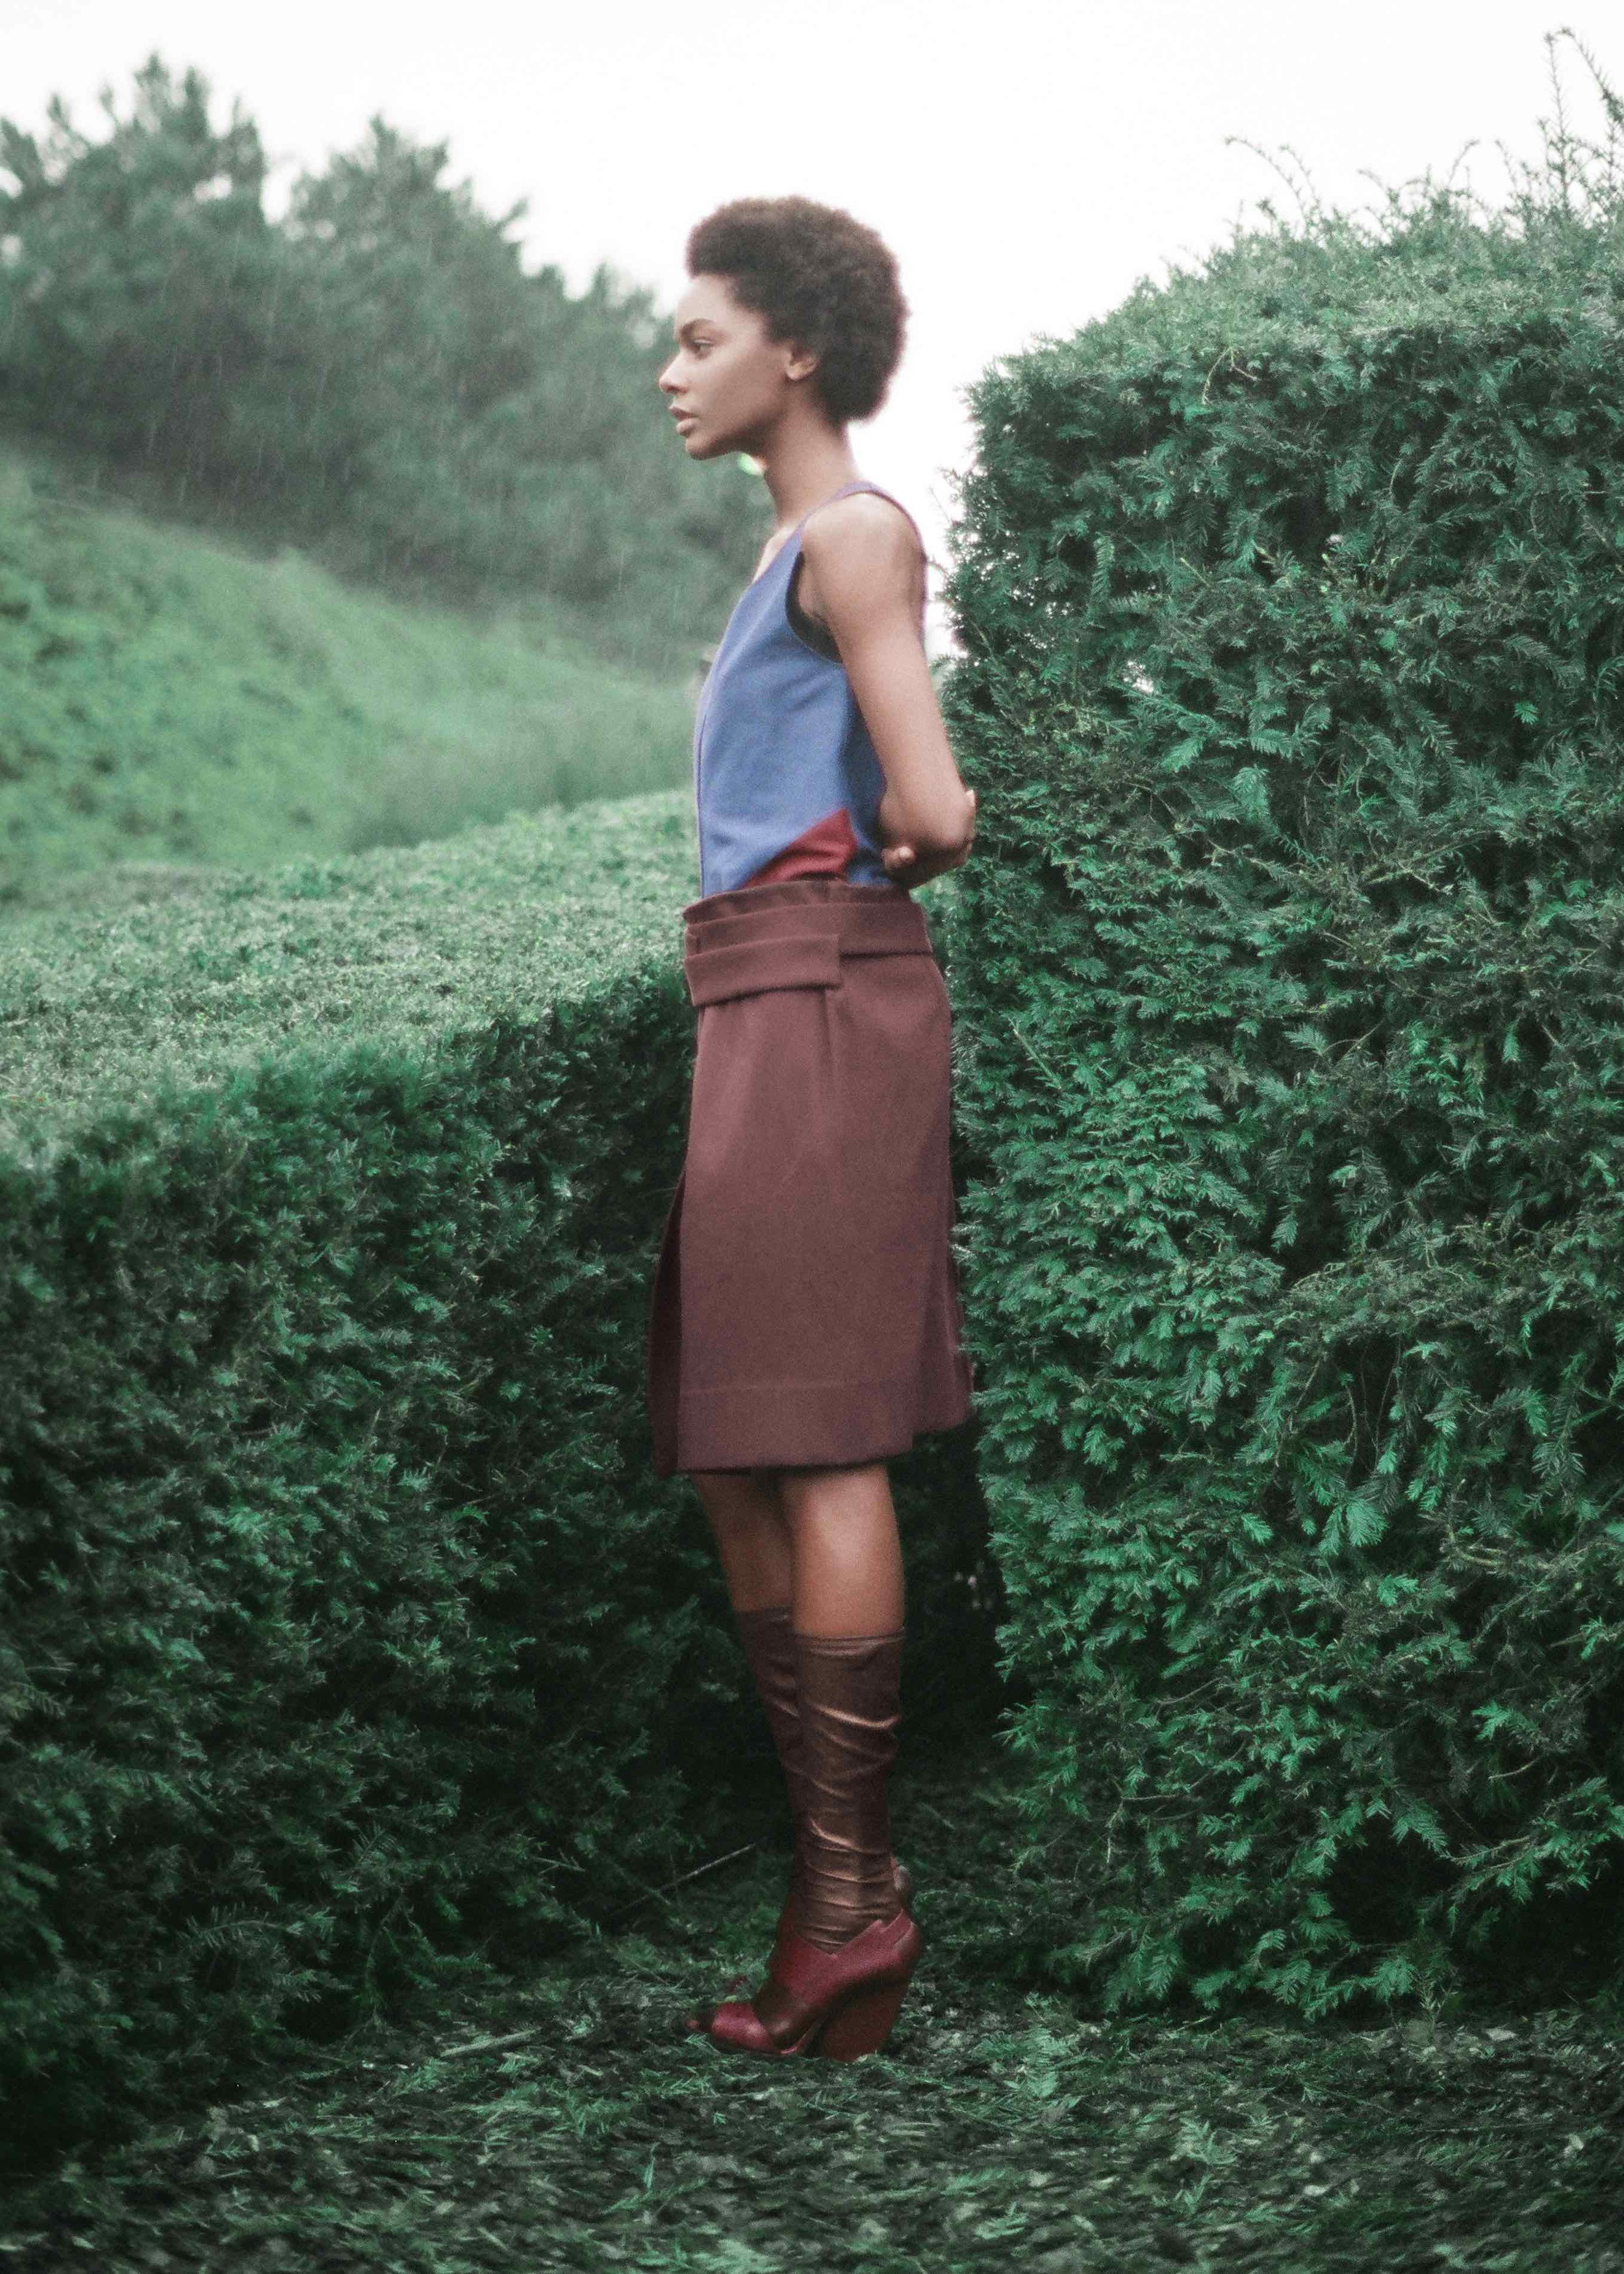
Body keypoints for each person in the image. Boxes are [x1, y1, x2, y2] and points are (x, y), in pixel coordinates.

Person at [648, 196, 976, 2062]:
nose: (668, 369)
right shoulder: (789, 550)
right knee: (735, 1447)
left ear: (796, 352)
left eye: (697, 336)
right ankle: (838, 1883)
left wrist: (896, 839)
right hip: (759, 1000)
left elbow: (935, 799)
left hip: (825, 996)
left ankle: (847, 1903)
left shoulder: (851, 536)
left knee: (823, 1444)